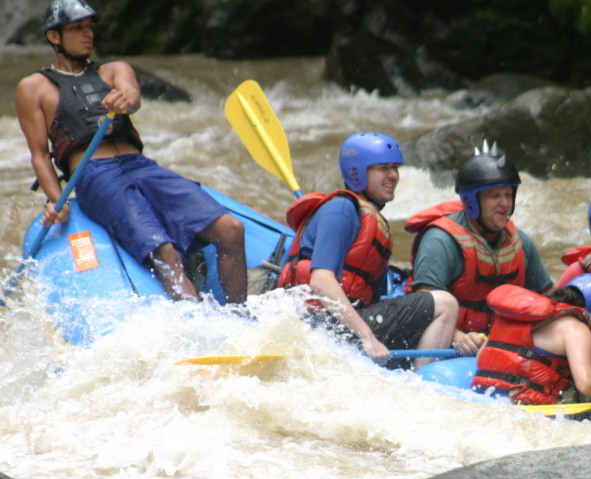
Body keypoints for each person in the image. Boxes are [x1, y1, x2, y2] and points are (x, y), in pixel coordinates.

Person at [15, 0, 247, 303]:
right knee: (164, 251)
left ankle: (239, 317)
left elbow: (133, 96)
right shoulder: (33, 87)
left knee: (231, 229)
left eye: (89, 27)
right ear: (54, 37)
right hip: (96, 175)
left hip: (141, 166)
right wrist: (57, 202)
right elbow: (40, 155)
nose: (88, 34)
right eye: (77, 28)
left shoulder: (114, 70)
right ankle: (197, 323)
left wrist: (126, 99)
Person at [277, 132, 457, 369]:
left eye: (395, 168)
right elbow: (321, 280)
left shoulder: (371, 220)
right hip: (318, 324)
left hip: (340, 322)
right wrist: (368, 338)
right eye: (384, 168)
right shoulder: (341, 209)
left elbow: (376, 299)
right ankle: (422, 385)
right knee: (445, 304)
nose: (394, 176)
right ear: (356, 173)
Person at [404, 143, 553, 356]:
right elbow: (427, 306)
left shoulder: (520, 242)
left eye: (508, 195)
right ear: (471, 201)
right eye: (494, 196)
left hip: (494, 340)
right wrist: (458, 338)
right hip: (446, 339)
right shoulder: (440, 240)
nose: (504, 204)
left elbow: (548, 298)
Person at [471, 274, 591, 405]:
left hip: (480, 396)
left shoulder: (514, 315)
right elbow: (587, 385)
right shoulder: (575, 328)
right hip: (525, 406)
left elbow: (480, 358)